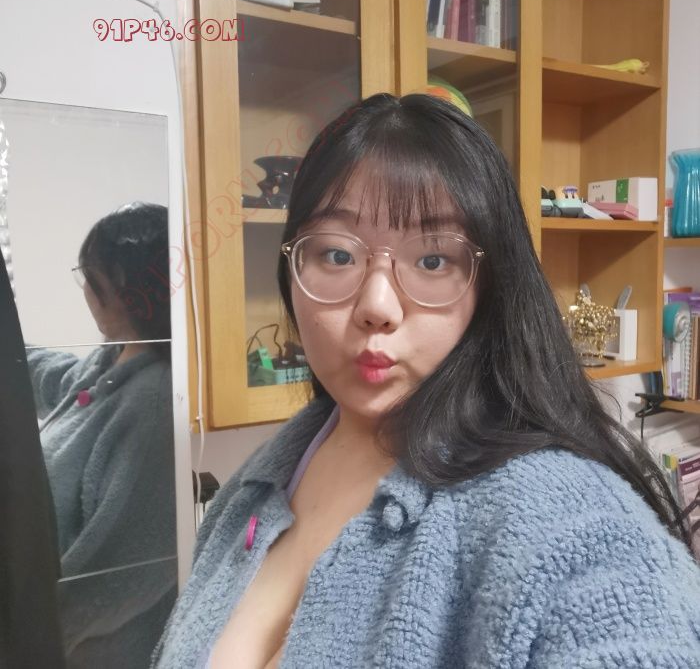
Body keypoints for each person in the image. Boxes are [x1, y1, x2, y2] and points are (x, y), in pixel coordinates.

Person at [153, 94, 700, 669]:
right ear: (291, 269)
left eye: (434, 261)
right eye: (337, 255)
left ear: (489, 285)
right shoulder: (265, 477)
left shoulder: (556, 509)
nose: (377, 306)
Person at [25, 202, 177, 668]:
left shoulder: (155, 406)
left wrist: (26, 637)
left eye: (91, 278)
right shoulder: (113, 358)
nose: (87, 292)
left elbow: (113, 580)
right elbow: (56, 376)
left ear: (123, 289)